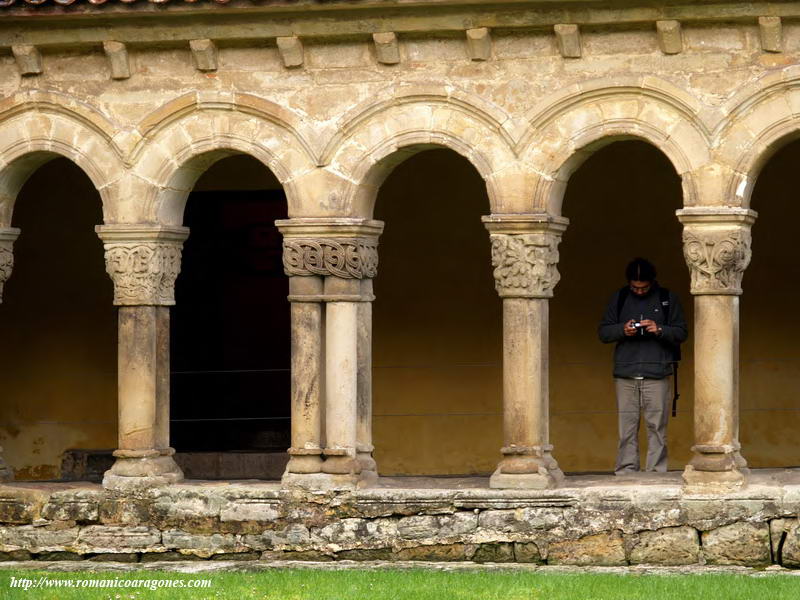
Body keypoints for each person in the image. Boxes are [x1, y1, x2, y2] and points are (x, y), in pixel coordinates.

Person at [598, 258, 687, 475]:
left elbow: (681, 333)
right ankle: (627, 471)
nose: (639, 291)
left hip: (657, 373)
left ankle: (656, 471)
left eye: (644, 287)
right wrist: (622, 329)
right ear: (629, 283)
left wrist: (659, 329)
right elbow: (603, 332)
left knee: (656, 427)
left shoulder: (667, 299)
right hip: (625, 373)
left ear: (652, 282)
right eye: (634, 287)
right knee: (626, 428)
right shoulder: (619, 298)